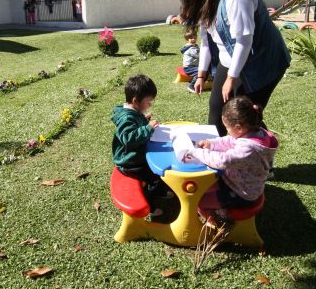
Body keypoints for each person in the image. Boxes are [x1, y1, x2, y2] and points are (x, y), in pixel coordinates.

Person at [181, 0, 290, 136]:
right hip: (231, 60)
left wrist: (231, 78)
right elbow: (207, 42)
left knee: (244, 117)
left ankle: (260, 156)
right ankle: (224, 158)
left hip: (261, 63)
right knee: (217, 112)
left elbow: (244, 40)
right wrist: (200, 76)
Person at [182, 96, 277, 224]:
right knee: (202, 188)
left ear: (238, 127)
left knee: (198, 202)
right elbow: (230, 140)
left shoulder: (248, 149)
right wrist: (211, 143)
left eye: (227, 128)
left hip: (241, 193)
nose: (227, 131)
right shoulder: (254, 131)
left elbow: (223, 161)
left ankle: (219, 221)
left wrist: (197, 152)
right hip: (236, 182)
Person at [111, 74, 169, 217]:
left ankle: (160, 191)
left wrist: (144, 119)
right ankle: (150, 205)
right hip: (129, 162)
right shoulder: (126, 117)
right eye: (148, 102)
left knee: (157, 171)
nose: (150, 105)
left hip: (136, 157)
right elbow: (128, 138)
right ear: (136, 101)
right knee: (155, 174)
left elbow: (135, 124)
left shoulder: (134, 112)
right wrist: (147, 128)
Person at [180, 27, 200, 93]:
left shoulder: (195, 46)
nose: (193, 39)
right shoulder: (190, 48)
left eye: (195, 37)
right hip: (189, 68)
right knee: (200, 72)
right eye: (191, 38)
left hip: (193, 66)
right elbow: (199, 56)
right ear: (187, 39)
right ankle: (191, 85)